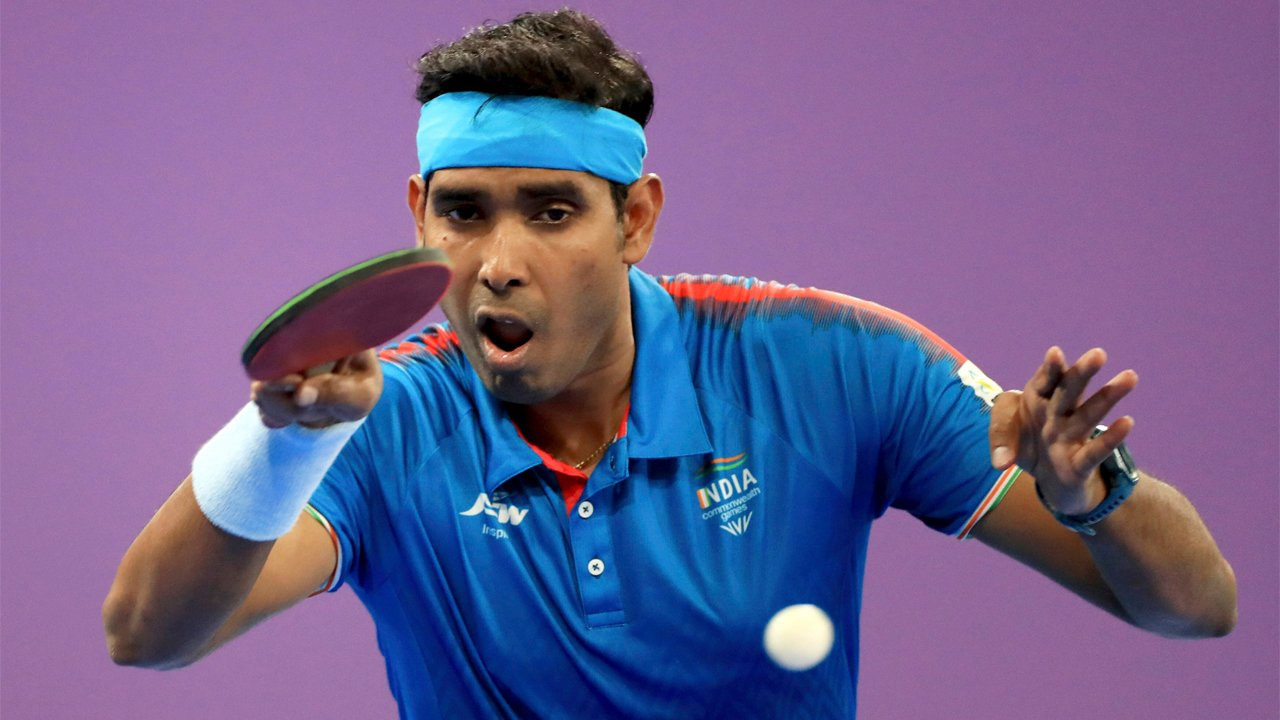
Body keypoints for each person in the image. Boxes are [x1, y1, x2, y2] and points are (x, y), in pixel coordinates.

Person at [102, 9, 1237, 718]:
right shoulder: (384, 417)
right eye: (463, 213)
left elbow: (1195, 608)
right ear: (418, 214)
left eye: (552, 212)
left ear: (636, 218)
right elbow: (146, 637)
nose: (498, 264)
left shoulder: (827, 364)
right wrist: (282, 441)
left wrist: (1096, 498)